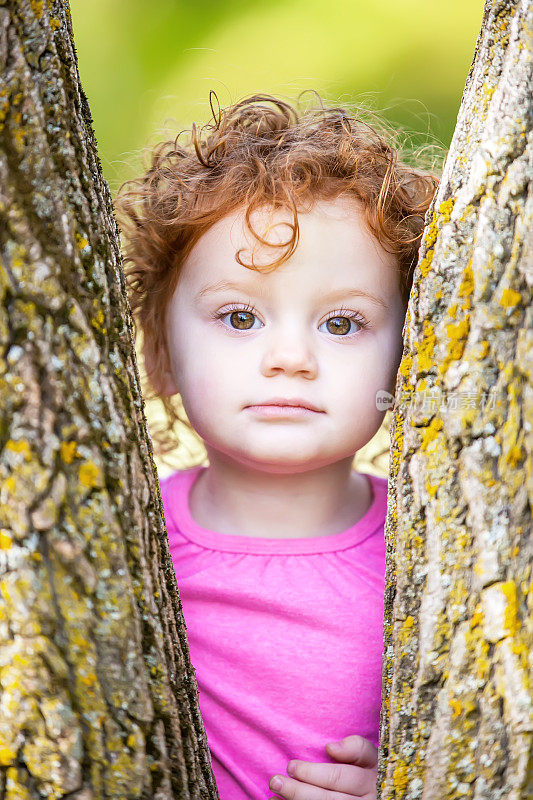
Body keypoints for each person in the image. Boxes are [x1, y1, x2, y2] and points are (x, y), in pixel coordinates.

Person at [117, 92, 439, 800]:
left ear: (406, 358)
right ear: (158, 353)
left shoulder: (434, 551)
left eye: (343, 323)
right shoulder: (122, 539)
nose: (289, 357)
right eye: (239, 315)